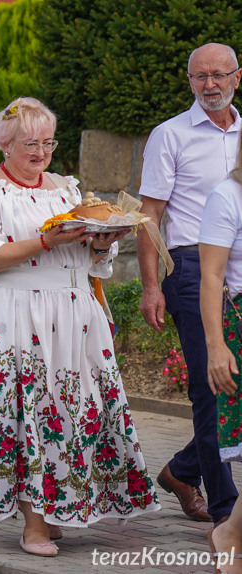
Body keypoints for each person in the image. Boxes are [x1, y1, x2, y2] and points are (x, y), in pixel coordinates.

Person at [0, 97, 159, 557]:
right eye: (30, 143)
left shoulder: (67, 190)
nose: (41, 152)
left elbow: (86, 257)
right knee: (26, 413)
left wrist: (103, 243)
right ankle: (33, 522)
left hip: (73, 310)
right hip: (12, 312)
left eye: (48, 142)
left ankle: (59, 505)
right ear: (4, 144)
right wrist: (46, 241)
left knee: (76, 407)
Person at [138, 42, 242, 525]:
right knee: (212, 388)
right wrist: (151, 286)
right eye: (200, 76)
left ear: (237, 77)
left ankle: (181, 469)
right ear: (189, 82)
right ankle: (226, 509)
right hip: (194, 268)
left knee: (235, 388)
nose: (210, 84)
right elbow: (150, 216)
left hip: (239, 268)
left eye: (219, 74)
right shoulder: (170, 135)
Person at [201, 138, 242, 574]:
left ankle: (232, 530)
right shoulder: (227, 195)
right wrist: (216, 345)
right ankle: (230, 532)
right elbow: (211, 276)